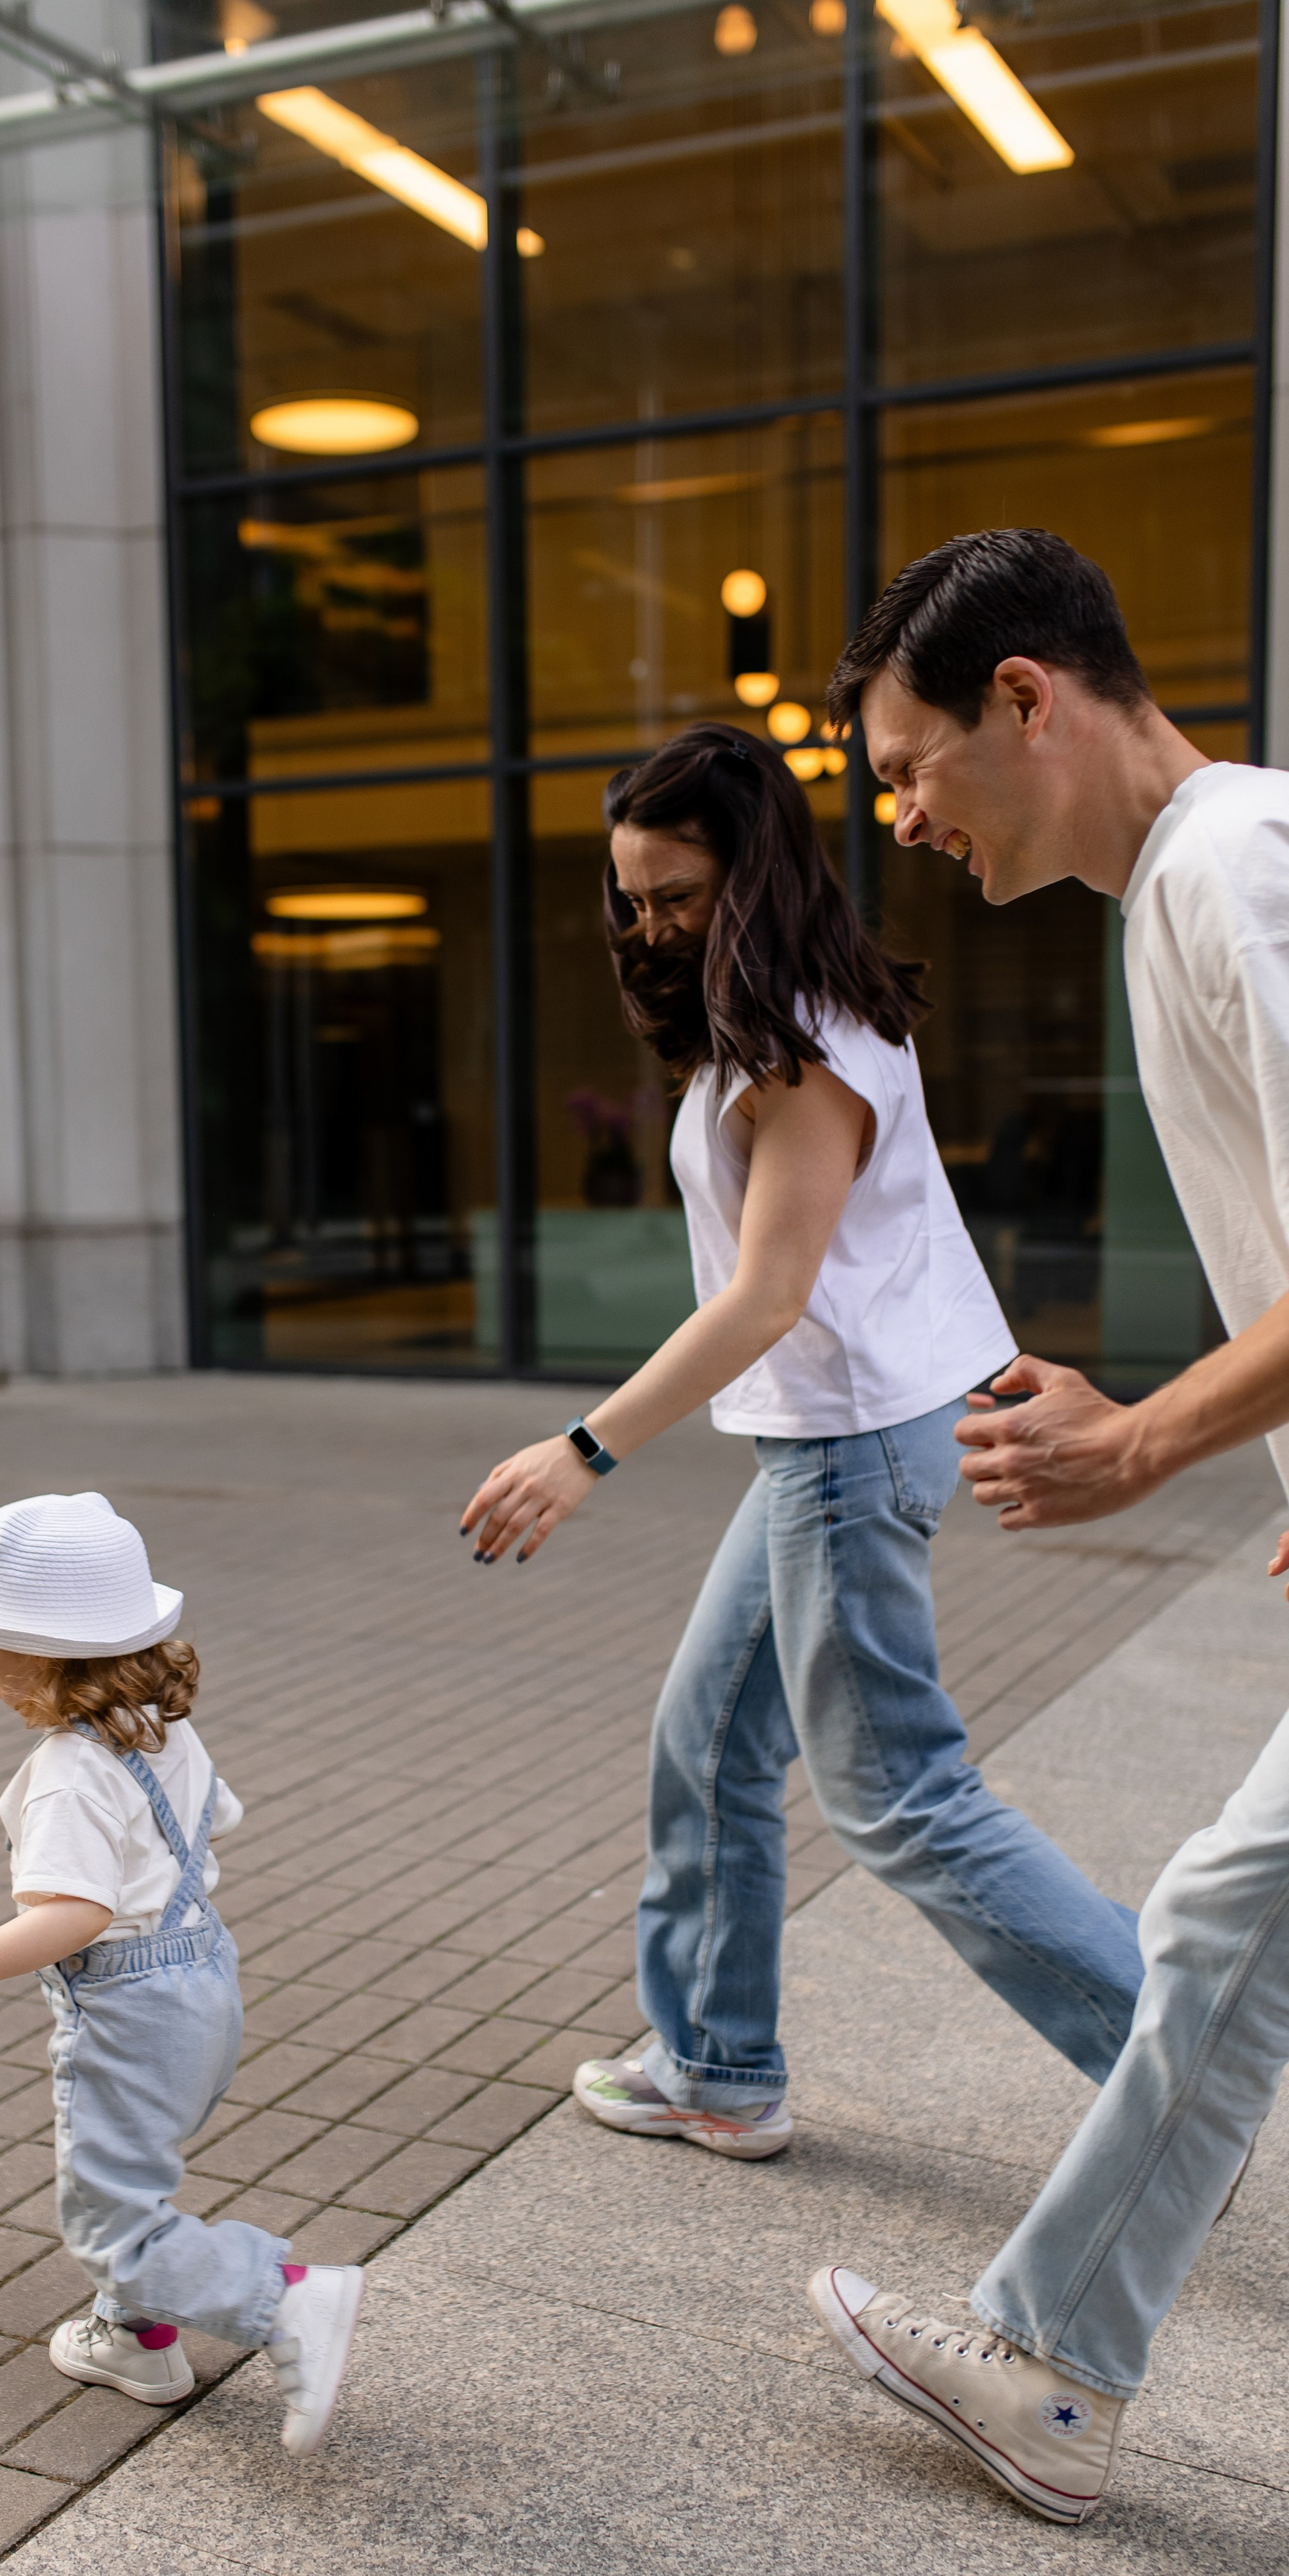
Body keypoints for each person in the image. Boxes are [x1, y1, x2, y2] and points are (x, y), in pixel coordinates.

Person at [810, 526, 1289, 2525]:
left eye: (915, 767)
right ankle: (1058, 2366)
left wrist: (1148, 1444)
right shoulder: (1231, 865)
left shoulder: (1242, 872)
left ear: (1032, 698)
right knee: (1223, 1933)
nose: (906, 820)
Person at [458, 722, 1145, 2159]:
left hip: (848, 1452)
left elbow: (772, 1295)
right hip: (832, 1446)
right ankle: (716, 2062)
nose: (647, 927)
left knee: (901, 1799)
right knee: (707, 1747)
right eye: (630, 900)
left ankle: (1177, 2068)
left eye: (677, 896)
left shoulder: (813, 1044)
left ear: (754, 871)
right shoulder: (791, 1018)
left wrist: (576, 1453)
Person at [0, 1489, 363, 2456]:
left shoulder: (68, 1772)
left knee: (110, 2217)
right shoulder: (157, 1726)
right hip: (205, 1983)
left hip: (130, 2005)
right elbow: (215, 1816)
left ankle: (280, 2298)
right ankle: (135, 2338)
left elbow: (74, 1917)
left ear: (38, 1658)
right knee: (133, 2175)